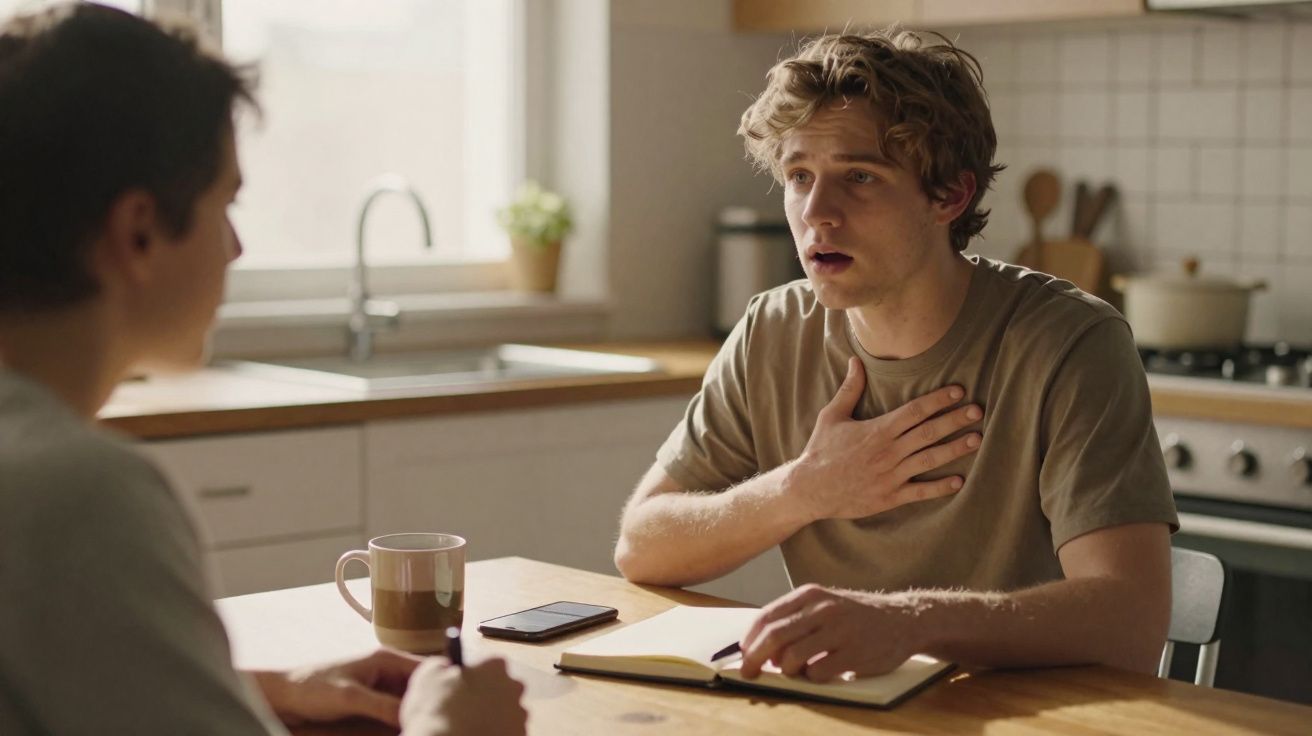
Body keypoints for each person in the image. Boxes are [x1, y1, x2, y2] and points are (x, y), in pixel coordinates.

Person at [0, 4, 526, 734]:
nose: (237, 248)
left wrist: (260, 688)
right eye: (226, 204)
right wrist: (454, 725)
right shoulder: (79, 494)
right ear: (140, 232)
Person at [614, 28, 1179, 684]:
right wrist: (804, 488)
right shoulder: (771, 331)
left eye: (858, 177)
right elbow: (642, 548)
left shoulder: (1068, 343)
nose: (817, 212)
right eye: (799, 176)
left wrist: (908, 622)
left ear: (949, 196)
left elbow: (1131, 620)